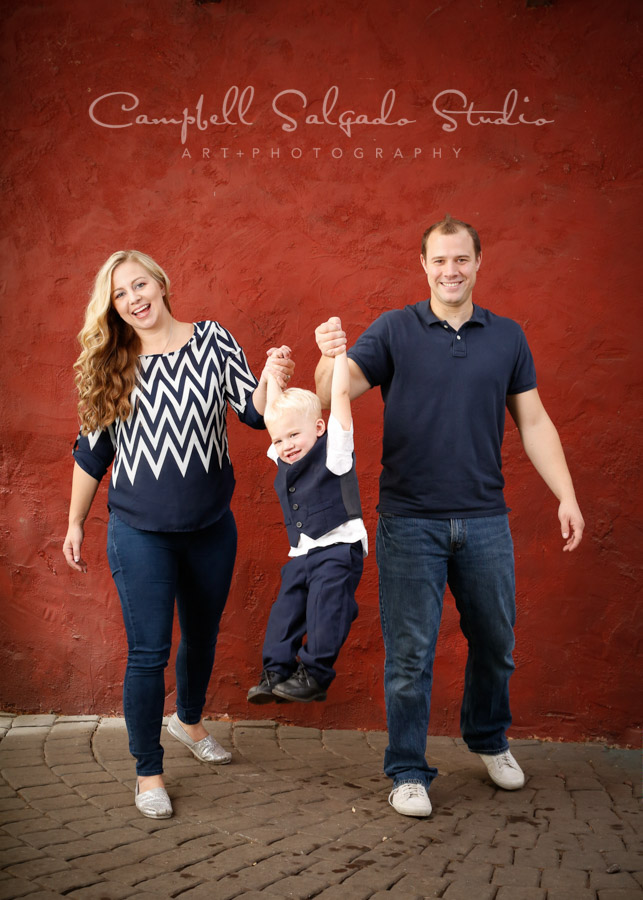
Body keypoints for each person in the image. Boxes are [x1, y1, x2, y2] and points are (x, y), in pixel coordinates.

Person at [314, 215, 584, 818]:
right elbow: (339, 389)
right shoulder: (394, 331)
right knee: (410, 654)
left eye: (461, 260)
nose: (450, 271)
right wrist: (329, 358)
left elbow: (533, 422)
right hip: (410, 521)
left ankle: (488, 739)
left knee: (497, 643)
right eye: (439, 261)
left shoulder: (507, 337)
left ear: (479, 262)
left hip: (486, 519)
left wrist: (566, 494)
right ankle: (408, 769)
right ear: (424, 265)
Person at [62, 250, 293, 819]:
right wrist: (74, 521)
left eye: (140, 284)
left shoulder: (212, 339)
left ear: (162, 284)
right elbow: (92, 451)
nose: (134, 298)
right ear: (112, 307)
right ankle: (148, 772)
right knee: (148, 653)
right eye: (120, 294)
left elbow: (253, 413)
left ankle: (188, 720)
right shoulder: (112, 359)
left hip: (211, 526)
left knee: (203, 637)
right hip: (140, 531)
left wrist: (269, 379)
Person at [247, 331, 367, 704]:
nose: (286, 446)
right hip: (304, 552)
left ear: (318, 429)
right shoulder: (284, 454)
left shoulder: (334, 451)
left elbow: (342, 398)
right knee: (285, 611)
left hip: (338, 547)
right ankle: (277, 670)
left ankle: (315, 673)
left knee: (324, 610)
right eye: (279, 441)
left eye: (294, 436)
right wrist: (271, 374)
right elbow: (270, 414)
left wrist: (338, 356)